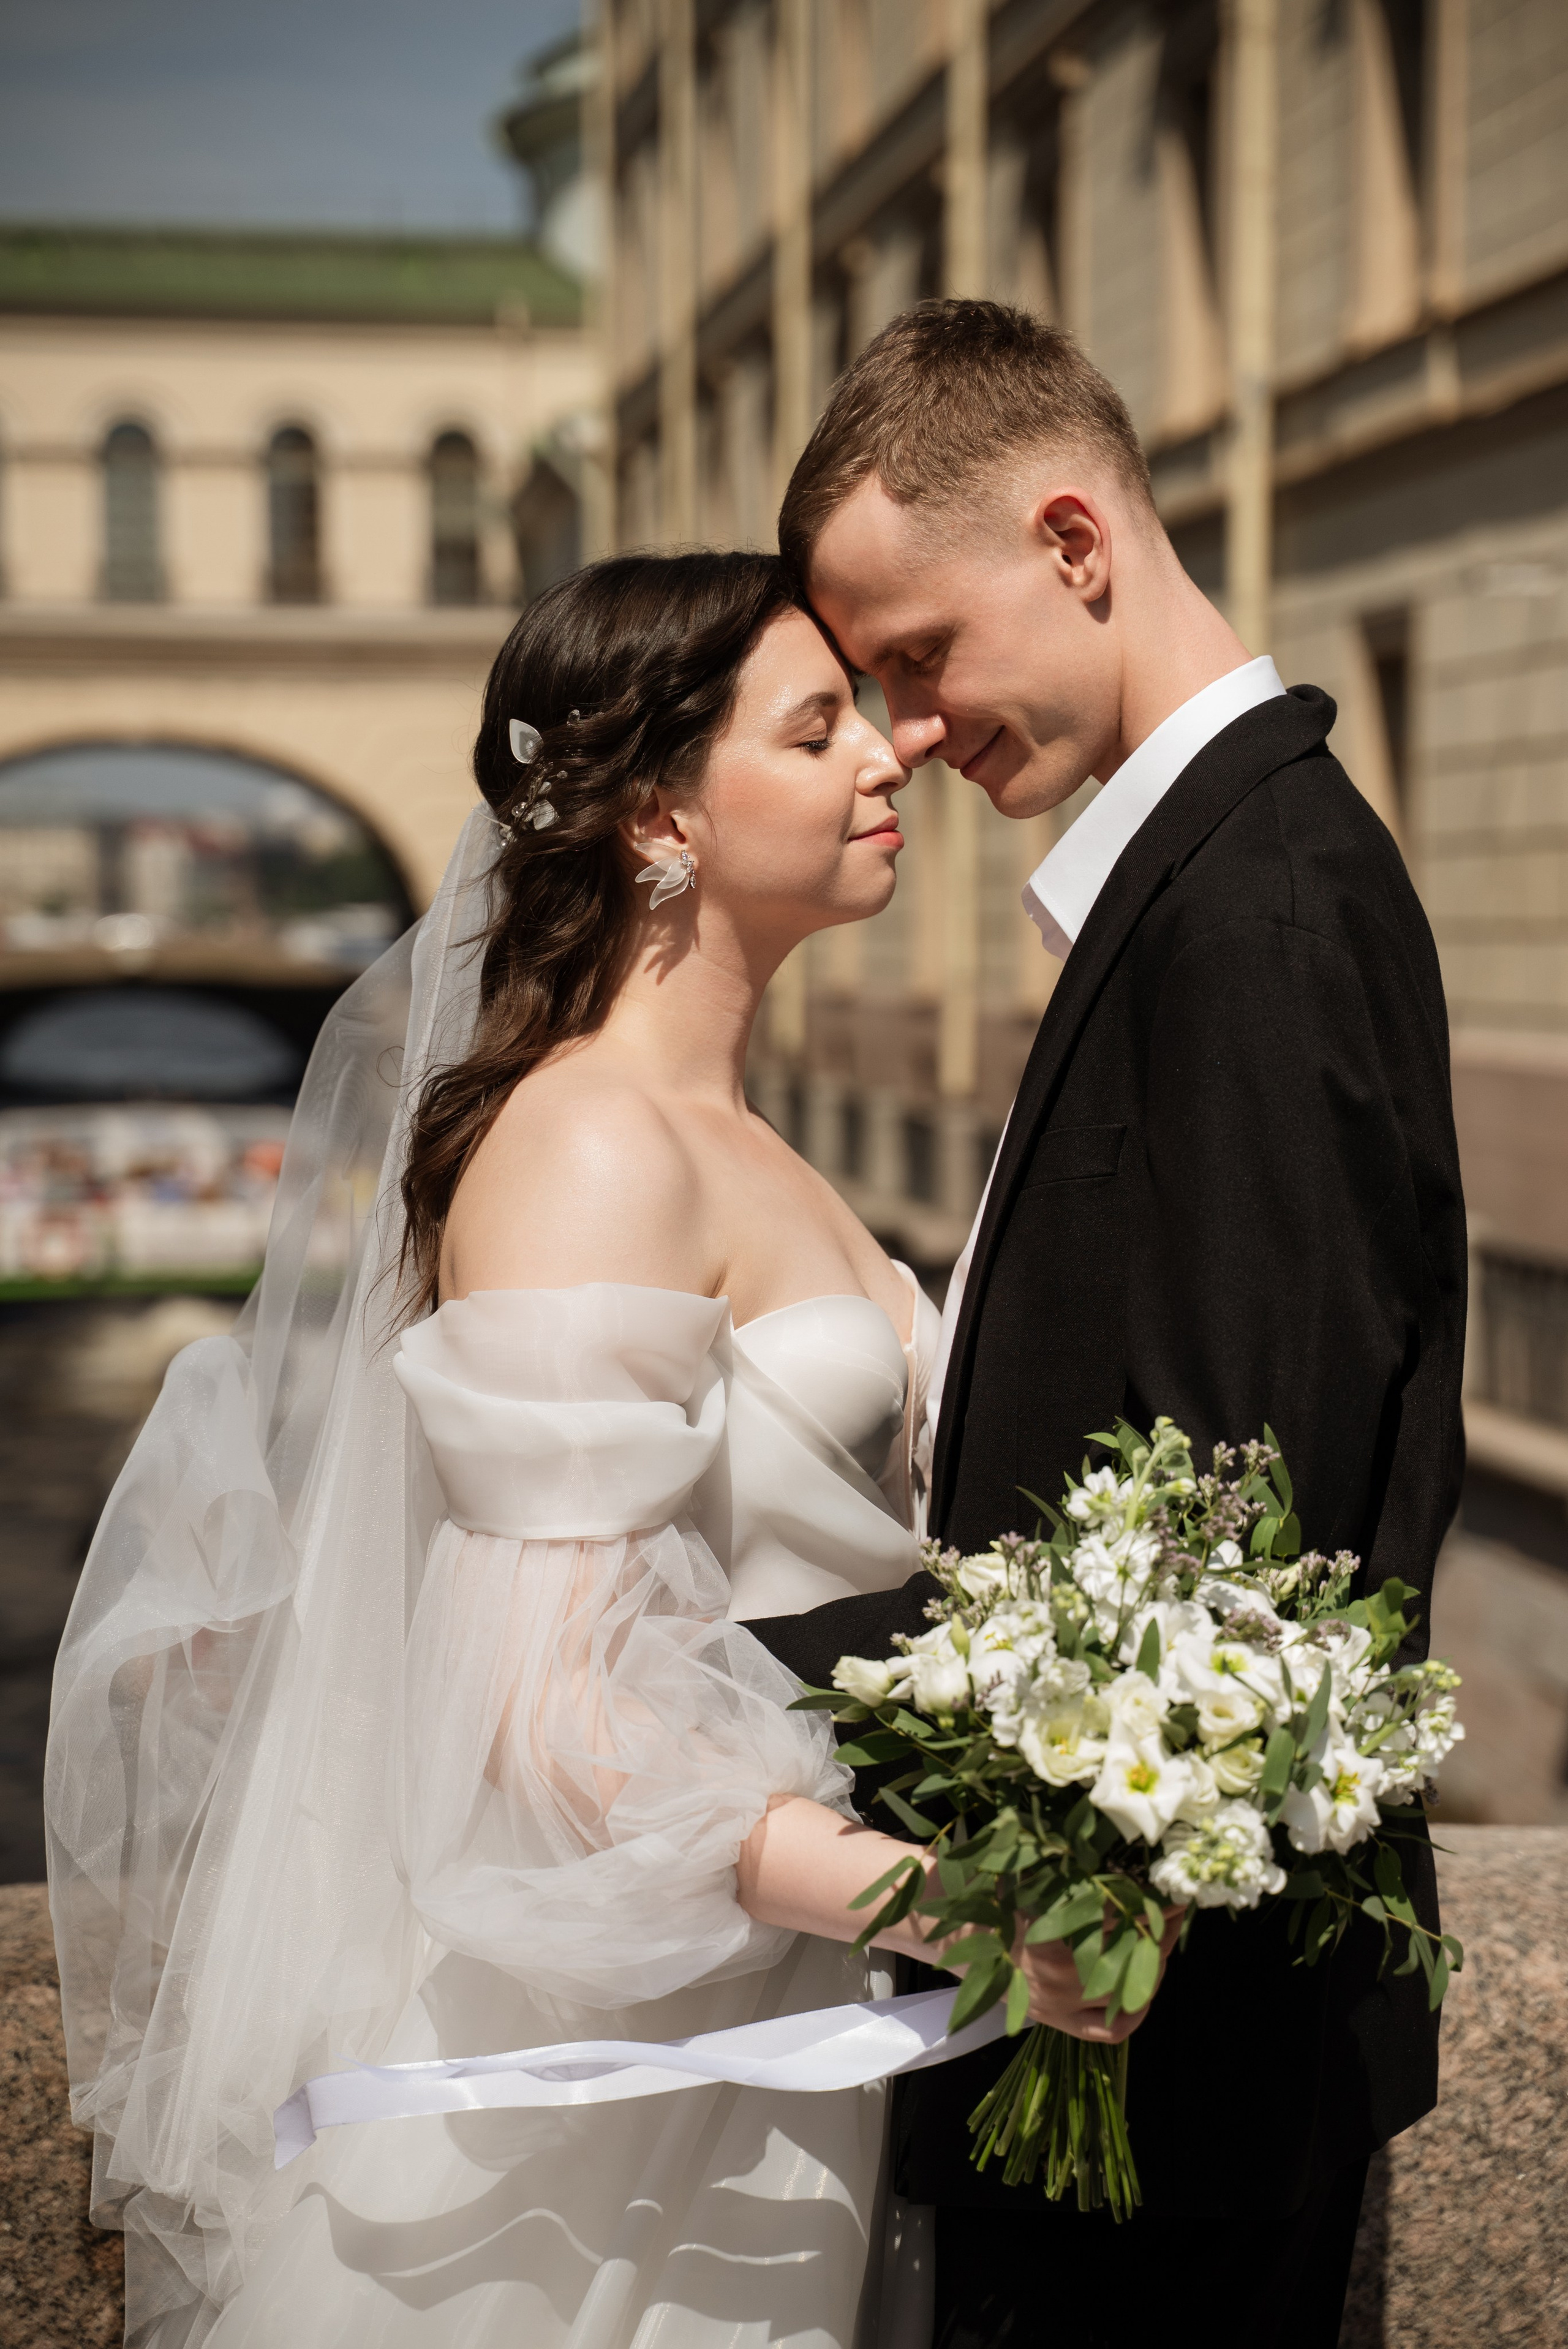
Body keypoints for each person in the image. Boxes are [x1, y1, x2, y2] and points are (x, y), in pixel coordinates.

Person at [46, 551, 1166, 2349]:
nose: (888, 755)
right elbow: (548, 1726)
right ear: (662, 817)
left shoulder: (746, 1138)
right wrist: (963, 1904)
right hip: (604, 2085)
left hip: (771, 2024)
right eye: (816, 730)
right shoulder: (587, 1147)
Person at [751, 301, 1468, 2349]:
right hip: (1128, 2025)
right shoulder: (1208, 880)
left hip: (1165, 2051)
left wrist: (1069, 1908)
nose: (900, 727)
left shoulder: (1250, 911)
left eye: (916, 657)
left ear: (1074, 542)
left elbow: (1244, 1518)